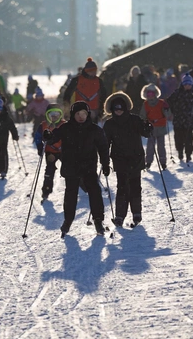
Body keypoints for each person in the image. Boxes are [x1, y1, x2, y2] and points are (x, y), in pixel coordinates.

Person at [42, 101, 110, 237]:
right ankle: (68, 221)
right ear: (73, 115)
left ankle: (98, 220)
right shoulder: (66, 128)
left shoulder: (94, 129)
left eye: (84, 114)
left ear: (87, 114)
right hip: (71, 166)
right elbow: (54, 137)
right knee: (70, 195)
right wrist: (48, 137)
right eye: (78, 114)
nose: (81, 117)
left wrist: (106, 163)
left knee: (95, 192)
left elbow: (103, 147)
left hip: (89, 167)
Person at [103, 92, 152, 228]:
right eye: (115, 109)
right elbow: (105, 144)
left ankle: (137, 213)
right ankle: (120, 215)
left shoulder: (135, 120)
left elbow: (145, 133)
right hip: (119, 159)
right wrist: (105, 162)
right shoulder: (109, 124)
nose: (118, 111)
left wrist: (148, 128)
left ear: (126, 108)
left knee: (135, 185)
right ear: (111, 109)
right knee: (122, 186)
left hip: (136, 158)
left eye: (121, 108)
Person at [34, 103, 66, 200]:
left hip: (63, 151)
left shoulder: (65, 125)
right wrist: (40, 147)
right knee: (49, 170)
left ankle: (81, 186)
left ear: (60, 114)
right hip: (50, 151)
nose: (54, 116)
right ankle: (46, 190)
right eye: (51, 113)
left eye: (57, 113)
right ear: (47, 115)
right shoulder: (43, 125)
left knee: (70, 168)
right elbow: (38, 137)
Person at [63, 58, 108, 122]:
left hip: (94, 112)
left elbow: (104, 96)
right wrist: (67, 110)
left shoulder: (99, 81)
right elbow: (67, 95)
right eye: (92, 71)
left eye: (95, 71)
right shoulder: (77, 80)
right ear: (87, 71)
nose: (94, 73)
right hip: (79, 111)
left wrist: (101, 111)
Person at [167, 73, 193, 163]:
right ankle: (180, 151)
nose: (187, 86)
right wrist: (171, 111)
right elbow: (169, 101)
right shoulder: (177, 93)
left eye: (189, 84)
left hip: (189, 120)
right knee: (178, 137)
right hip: (178, 119)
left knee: (189, 138)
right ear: (183, 84)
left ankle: (188, 154)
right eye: (186, 84)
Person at [140, 83, 170, 170]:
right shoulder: (145, 104)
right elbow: (142, 116)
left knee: (161, 147)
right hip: (151, 128)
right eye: (148, 94)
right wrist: (145, 123)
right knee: (150, 146)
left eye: (152, 94)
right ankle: (148, 162)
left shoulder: (161, 103)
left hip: (160, 127)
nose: (150, 96)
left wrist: (166, 108)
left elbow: (168, 114)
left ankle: (163, 163)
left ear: (155, 94)